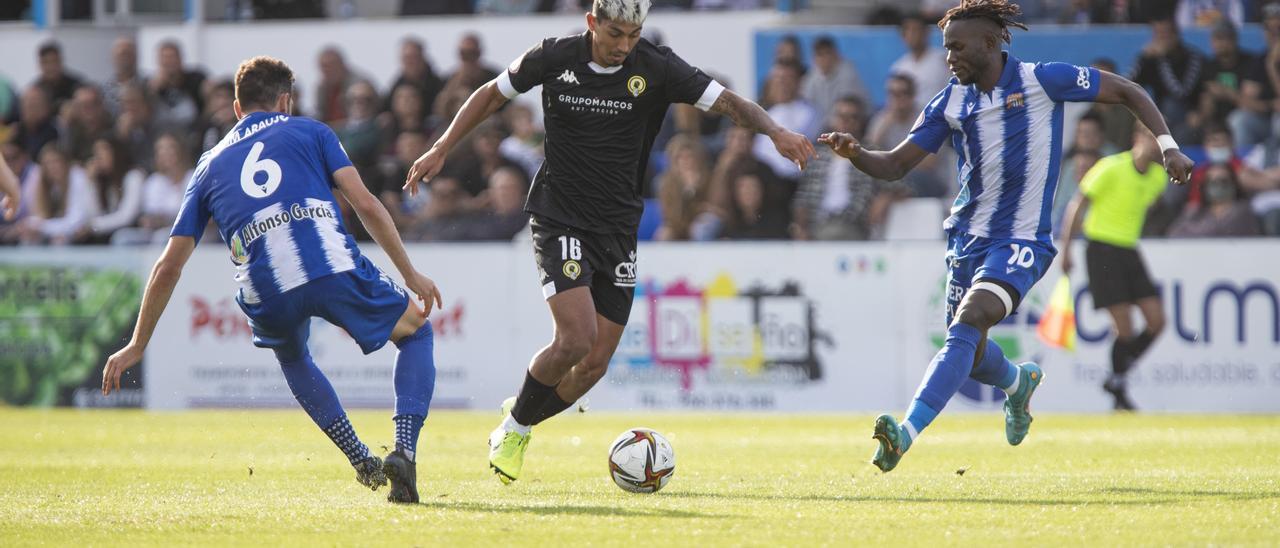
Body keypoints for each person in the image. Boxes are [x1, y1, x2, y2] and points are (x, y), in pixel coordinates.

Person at [403, 0, 812, 484]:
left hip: (618, 228)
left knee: (594, 364)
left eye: (632, 35)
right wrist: (441, 147)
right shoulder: (554, 57)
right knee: (576, 339)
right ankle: (514, 430)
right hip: (560, 216)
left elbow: (727, 102)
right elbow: (492, 94)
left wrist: (777, 130)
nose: (623, 45)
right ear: (592, 22)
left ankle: (525, 409)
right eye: (615, 33)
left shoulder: (657, 66)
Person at [817, 0, 1192, 473]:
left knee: (970, 320)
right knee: (969, 352)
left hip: (1022, 240)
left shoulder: (1042, 80)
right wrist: (856, 153)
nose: (949, 56)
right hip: (966, 241)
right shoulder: (950, 101)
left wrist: (1169, 146)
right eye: (945, 47)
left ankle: (904, 434)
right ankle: (1017, 384)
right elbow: (895, 164)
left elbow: (1128, 90)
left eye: (957, 46)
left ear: (991, 43)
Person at [99, 56, 443, 505]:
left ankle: (358, 454)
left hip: (265, 288)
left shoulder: (206, 165)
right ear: (286, 101)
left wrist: (138, 343)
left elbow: (168, 265)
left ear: (237, 108)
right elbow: (367, 204)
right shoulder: (312, 131)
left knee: (294, 356)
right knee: (417, 332)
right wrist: (409, 273)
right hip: (329, 265)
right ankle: (404, 450)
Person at [1059, 126, 1168, 411]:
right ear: (1137, 139)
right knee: (1125, 328)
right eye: (1150, 139)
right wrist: (1067, 248)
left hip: (1129, 249)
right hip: (1101, 247)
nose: (1154, 147)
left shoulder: (1158, 178)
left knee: (1157, 321)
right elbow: (1077, 204)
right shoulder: (1110, 167)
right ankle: (1119, 392)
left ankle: (1116, 377)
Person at [891, 13, 952, 110]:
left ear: (926, 32)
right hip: (912, 121)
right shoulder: (899, 67)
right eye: (908, 30)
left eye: (915, 30)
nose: (912, 34)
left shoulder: (944, 60)